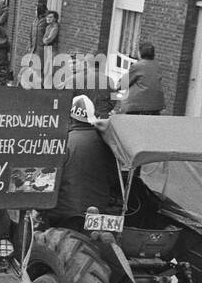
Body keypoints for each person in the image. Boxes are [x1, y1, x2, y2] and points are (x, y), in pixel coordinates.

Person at [43, 95, 122, 230]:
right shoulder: (107, 143)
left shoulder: (63, 143)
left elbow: (47, 182)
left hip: (63, 214)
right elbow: (114, 178)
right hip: (97, 212)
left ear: (70, 118)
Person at [115, 41, 164, 115]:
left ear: (140, 53)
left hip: (137, 106)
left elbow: (122, 85)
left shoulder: (138, 66)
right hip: (156, 105)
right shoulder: (157, 66)